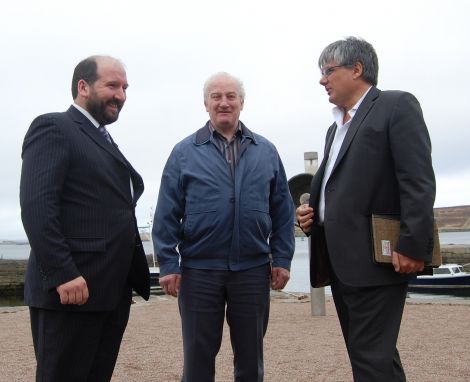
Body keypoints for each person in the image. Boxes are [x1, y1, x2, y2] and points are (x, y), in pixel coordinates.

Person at [296, 37, 435, 381]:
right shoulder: (335, 128)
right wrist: (313, 214)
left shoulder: (395, 106)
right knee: (376, 356)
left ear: (356, 69)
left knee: (370, 359)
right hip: (341, 262)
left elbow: (417, 180)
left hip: (378, 259)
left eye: (328, 71)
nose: (321, 80)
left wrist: (412, 244)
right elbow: (340, 187)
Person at [153, 72, 295, 381]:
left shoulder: (266, 151)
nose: (224, 102)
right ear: (205, 104)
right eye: (216, 96)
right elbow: (166, 213)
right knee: (198, 358)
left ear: (242, 102)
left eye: (231, 96)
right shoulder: (184, 153)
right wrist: (167, 263)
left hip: (252, 269)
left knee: (250, 358)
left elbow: (283, 211)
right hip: (200, 271)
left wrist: (281, 259)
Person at [20, 55, 150, 382]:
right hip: (72, 291)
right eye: (112, 85)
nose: (121, 94)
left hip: (108, 292)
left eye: (124, 87)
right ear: (83, 87)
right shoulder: (54, 127)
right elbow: (37, 205)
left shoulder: (101, 138)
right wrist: (63, 273)